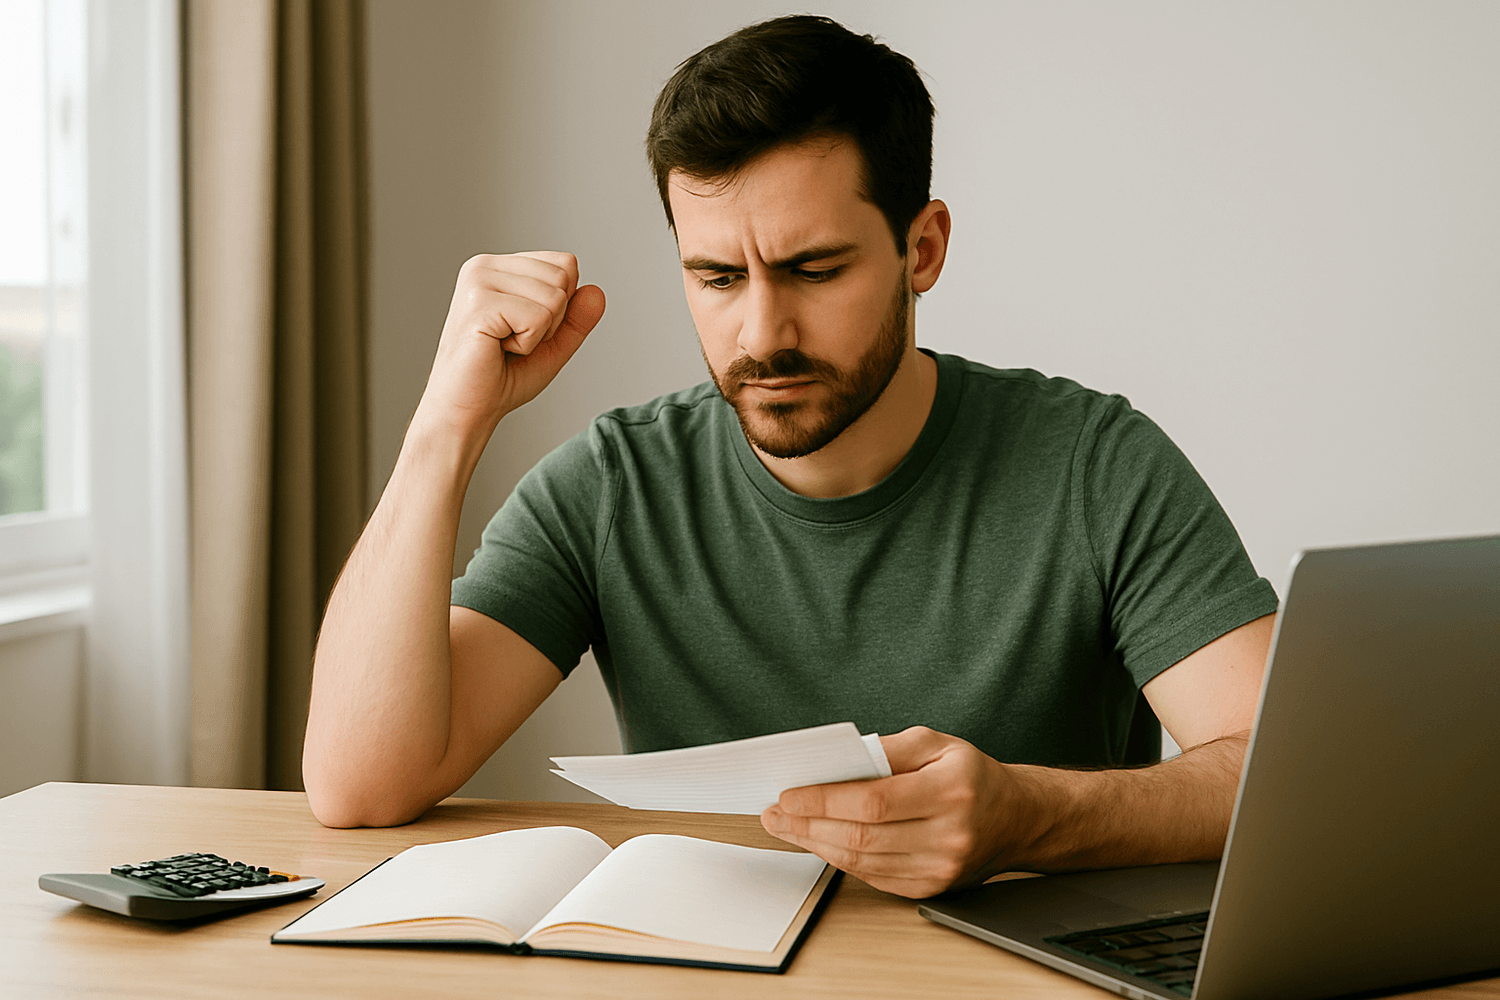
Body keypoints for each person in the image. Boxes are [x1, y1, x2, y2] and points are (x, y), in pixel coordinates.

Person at [303, 15, 1279, 899]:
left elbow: (1285, 774)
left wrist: (1034, 815)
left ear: (923, 248)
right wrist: (448, 423)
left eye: (814, 269)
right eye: (717, 276)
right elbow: (358, 783)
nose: (761, 331)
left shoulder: (1097, 467)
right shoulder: (612, 486)